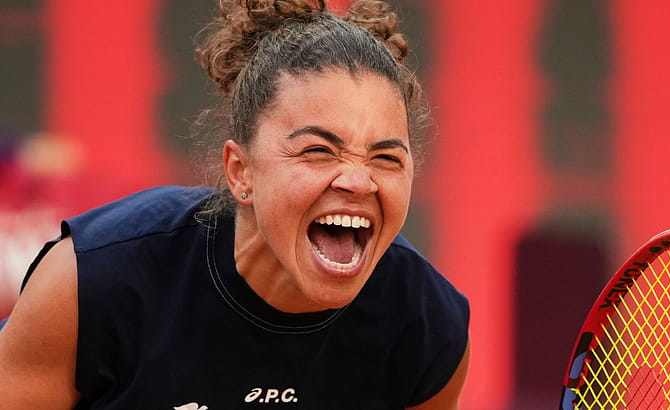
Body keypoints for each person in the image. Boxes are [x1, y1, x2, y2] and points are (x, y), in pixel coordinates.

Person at [0, 0, 470, 408]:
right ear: (241, 171)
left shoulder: (427, 323)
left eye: (386, 158)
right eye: (318, 151)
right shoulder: (94, 281)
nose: (358, 180)